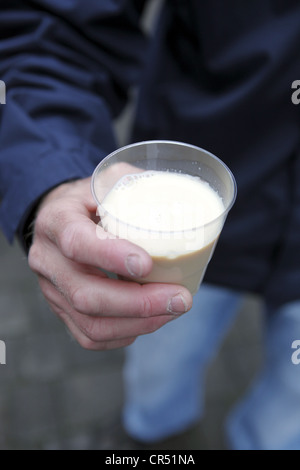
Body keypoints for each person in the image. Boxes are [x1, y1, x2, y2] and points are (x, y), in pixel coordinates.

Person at [0, 0, 300, 450]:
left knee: (290, 407)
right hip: (185, 209)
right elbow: (54, 25)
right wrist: (51, 176)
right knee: (158, 354)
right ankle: (149, 435)